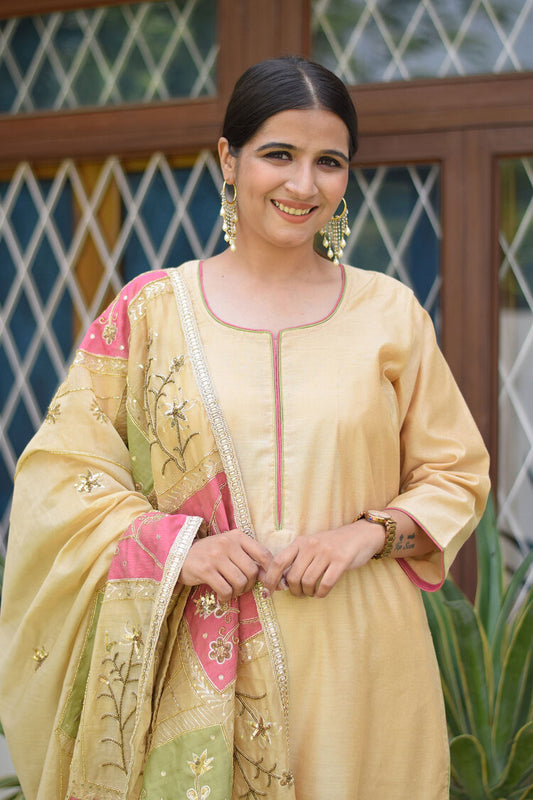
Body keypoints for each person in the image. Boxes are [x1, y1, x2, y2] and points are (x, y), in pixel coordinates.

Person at [0, 56, 490, 800]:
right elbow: (63, 480)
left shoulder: (388, 314)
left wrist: (364, 533)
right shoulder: (150, 313)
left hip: (363, 658)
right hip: (193, 671)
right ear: (228, 160)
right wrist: (180, 548)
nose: (302, 185)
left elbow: (455, 474)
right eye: (278, 155)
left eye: (328, 162)